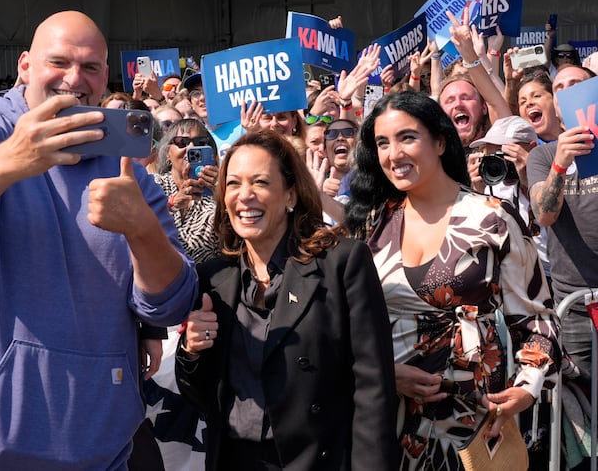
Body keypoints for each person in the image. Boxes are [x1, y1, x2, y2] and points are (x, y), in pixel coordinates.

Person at [0, 10, 198, 470]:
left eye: (90, 67)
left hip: (95, 450)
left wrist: (142, 230)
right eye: (59, 62)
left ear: (106, 75)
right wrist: (14, 159)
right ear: (25, 65)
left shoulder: (129, 172)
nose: (74, 78)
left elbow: (171, 304)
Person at [345, 91, 560, 470]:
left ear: (441, 142)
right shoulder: (370, 225)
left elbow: (537, 320)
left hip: (474, 425)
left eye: (407, 137)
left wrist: (526, 389)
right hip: (384, 422)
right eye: (382, 143)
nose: (393, 154)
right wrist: (385, 372)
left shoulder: (492, 219)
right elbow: (344, 329)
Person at [175, 129, 399, 470]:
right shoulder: (213, 277)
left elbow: (373, 389)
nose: (244, 196)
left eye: (260, 183)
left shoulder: (342, 264)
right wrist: (192, 351)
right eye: (233, 184)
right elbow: (202, 394)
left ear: (290, 195)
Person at [527, 63, 597, 381]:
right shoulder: (542, 157)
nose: (567, 91)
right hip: (575, 307)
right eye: (559, 87)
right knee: (581, 399)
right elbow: (544, 215)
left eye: (577, 84)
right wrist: (560, 164)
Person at [154, 118, 220, 264]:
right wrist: (173, 204)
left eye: (200, 143)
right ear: (167, 153)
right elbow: (139, 224)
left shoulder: (222, 189)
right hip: (163, 275)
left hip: (213, 279)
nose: (190, 148)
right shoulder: (153, 185)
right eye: (181, 142)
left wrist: (222, 196)